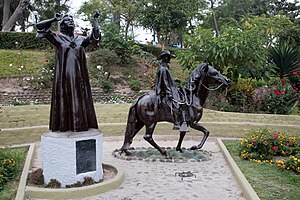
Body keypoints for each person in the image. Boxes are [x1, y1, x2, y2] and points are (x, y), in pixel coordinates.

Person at [36, 11, 100, 132]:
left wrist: (95, 20)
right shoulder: (57, 38)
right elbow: (39, 26)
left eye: (72, 19)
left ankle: (81, 125)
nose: (70, 21)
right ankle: (66, 126)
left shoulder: (80, 39)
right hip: (64, 77)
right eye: (67, 20)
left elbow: (95, 37)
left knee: (81, 98)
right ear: (62, 24)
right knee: (66, 98)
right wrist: (53, 20)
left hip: (80, 76)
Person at [154, 50, 182, 130]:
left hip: (170, 88)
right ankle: (176, 122)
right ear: (164, 58)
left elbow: (168, 79)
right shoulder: (163, 68)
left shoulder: (165, 67)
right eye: (168, 57)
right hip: (164, 90)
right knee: (176, 103)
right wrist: (169, 93)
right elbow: (165, 82)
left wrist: (175, 81)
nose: (169, 59)